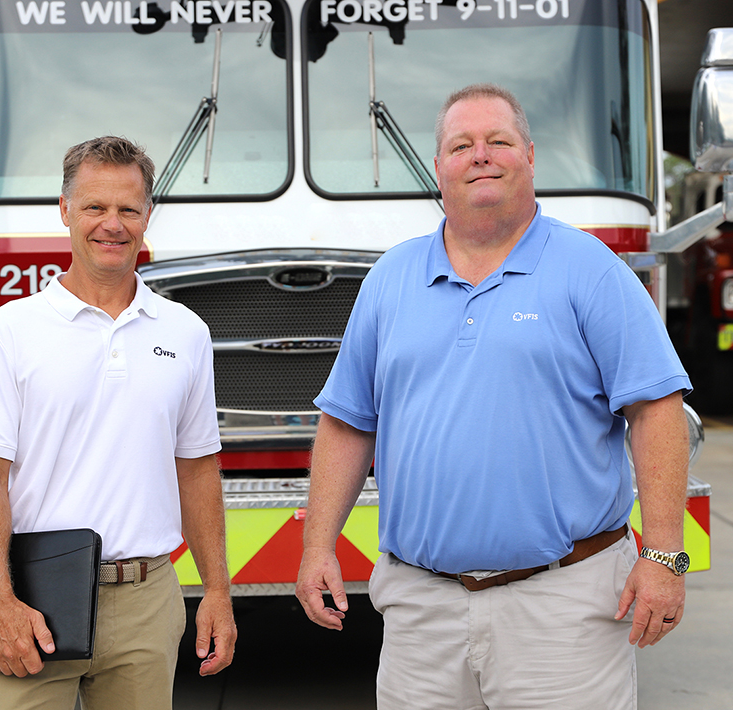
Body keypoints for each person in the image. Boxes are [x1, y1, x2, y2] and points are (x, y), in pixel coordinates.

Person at [296, 84, 691, 709]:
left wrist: (666, 554)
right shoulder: (389, 279)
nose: (480, 155)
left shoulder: (592, 269)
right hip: (420, 611)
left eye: (498, 141)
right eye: (461, 145)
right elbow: (347, 423)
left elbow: (656, 409)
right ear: (438, 168)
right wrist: (318, 545)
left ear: (530, 157)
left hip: (564, 608)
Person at [0, 136, 236, 710]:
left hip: (146, 600)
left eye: (129, 209)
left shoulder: (185, 332)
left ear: (148, 216)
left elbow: (199, 470)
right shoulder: (10, 330)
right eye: (95, 207)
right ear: (64, 210)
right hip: (35, 596)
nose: (113, 224)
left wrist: (217, 591)